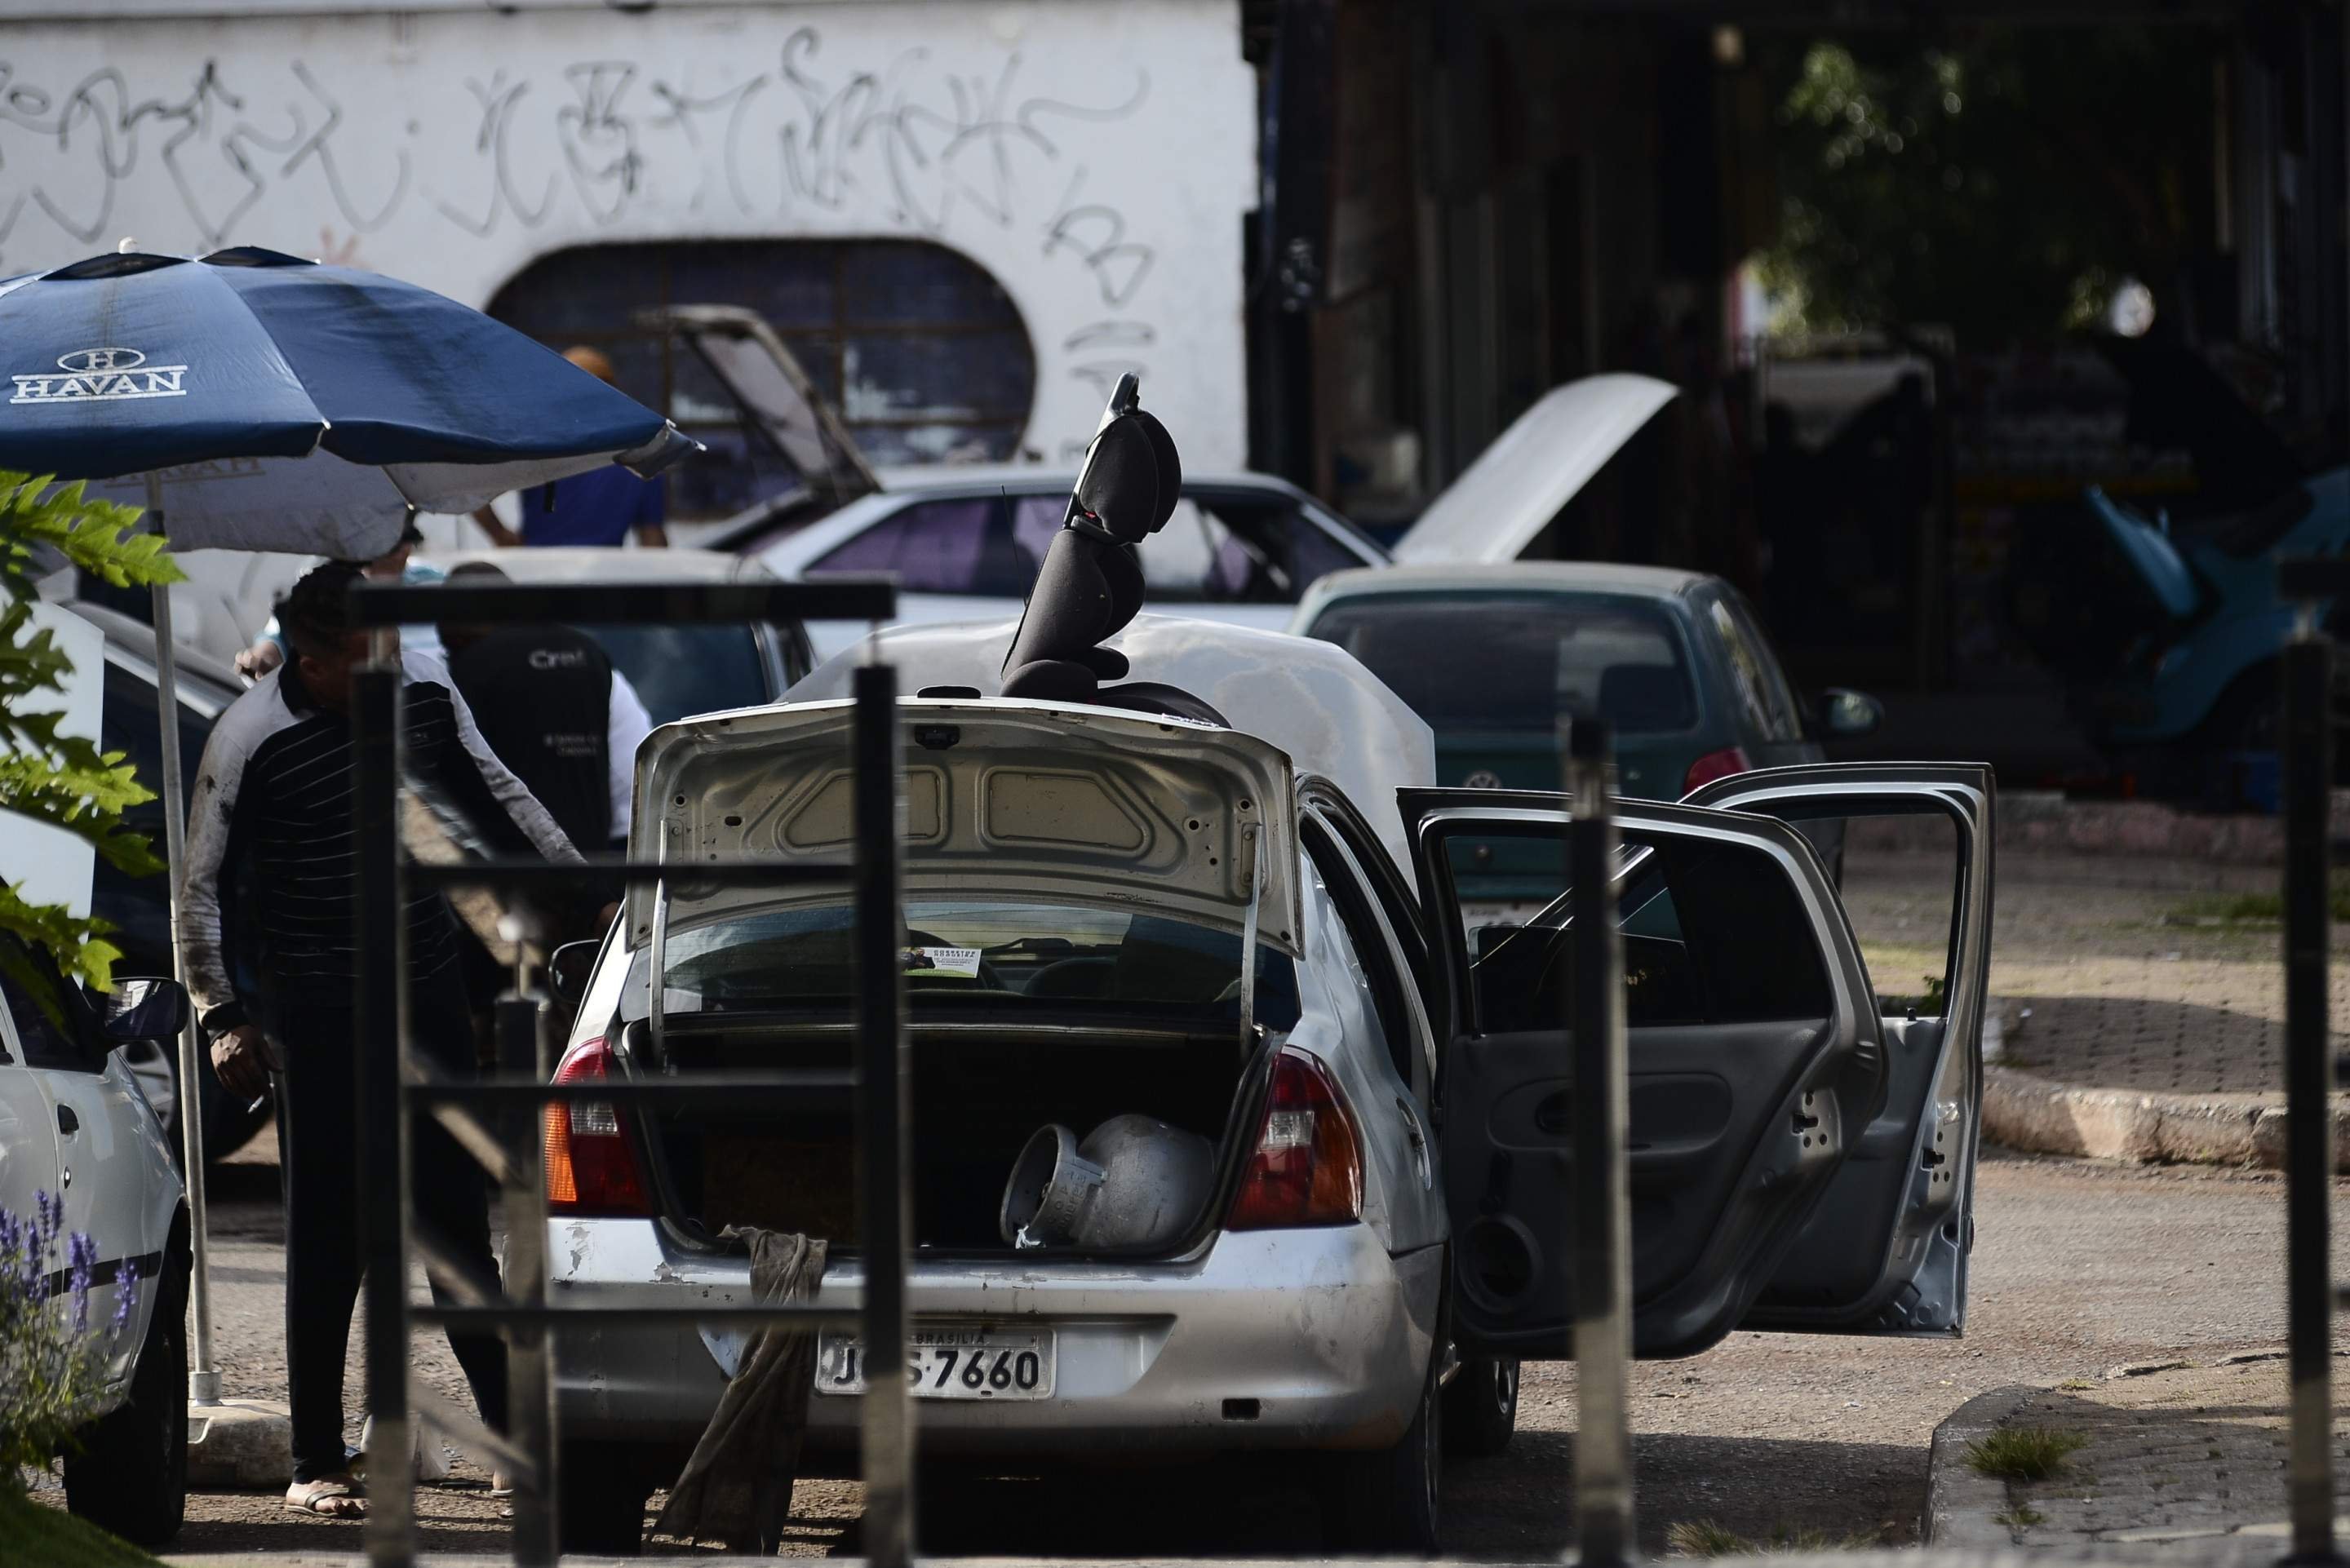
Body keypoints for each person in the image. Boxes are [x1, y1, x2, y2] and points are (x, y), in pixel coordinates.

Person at [181, 560, 586, 1519]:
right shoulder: (247, 738)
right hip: (317, 1014)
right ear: (312, 664)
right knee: (331, 1239)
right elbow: (197, 886)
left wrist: (591, 882)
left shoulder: (426, 700)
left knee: (455, 1225)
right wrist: (221, 1012)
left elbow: (506, 792)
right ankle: (316, 1460)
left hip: (428, 996)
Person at [435, 560, 653, 851]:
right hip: (596, 866)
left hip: (501, 867)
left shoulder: (463, 673)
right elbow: (635, 791)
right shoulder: (591, 661)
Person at [471, 347, 669, 549]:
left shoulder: (537, 444)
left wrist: (502, 537)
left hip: (537, 573)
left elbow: (473, 490)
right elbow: (653, 540)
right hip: (606, 576)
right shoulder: (642, 453)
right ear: (613, 395)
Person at [237, 519, 442, 680]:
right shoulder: (329, 592)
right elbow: (278, 634)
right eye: (388, 548)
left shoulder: (433, 581)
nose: (398, 555)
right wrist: (263, 656)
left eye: (403, 543)